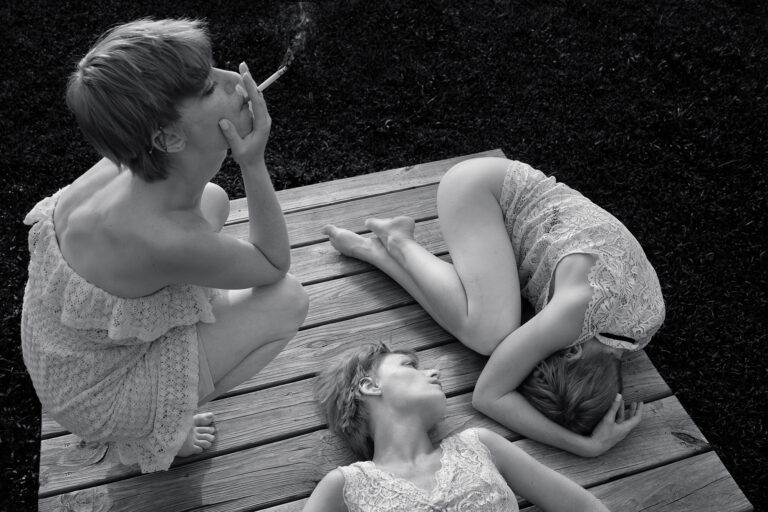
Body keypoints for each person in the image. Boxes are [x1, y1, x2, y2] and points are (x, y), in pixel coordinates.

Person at [21, 18, 309, 473]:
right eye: (209, 88)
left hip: (59, 355)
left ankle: (164, 396)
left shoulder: (129, 160)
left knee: (214, 199)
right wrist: (253, 162)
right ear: (169, 137)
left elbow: (188, 205)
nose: (234, 80)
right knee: (287, 301)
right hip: (97, 396)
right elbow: (273, 263)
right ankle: (163, 432)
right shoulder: (165, 238)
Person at [322, 156, 665, 457]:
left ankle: (385, 250)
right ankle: (399, 243)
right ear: (572, 352)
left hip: (497, 207)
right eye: (550, 357)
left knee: (487, 326)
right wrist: (584, 447)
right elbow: (488, 395)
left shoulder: (646, 324)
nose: (541, 355)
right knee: (491, 337)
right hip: (482, 193)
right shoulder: (575, 313)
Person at [304, 343, 609, 511]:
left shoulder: (479, 445)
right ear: (370, 386)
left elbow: (586, 508)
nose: (434, 372)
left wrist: (589, 447)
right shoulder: (344, 486)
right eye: (409, 365)